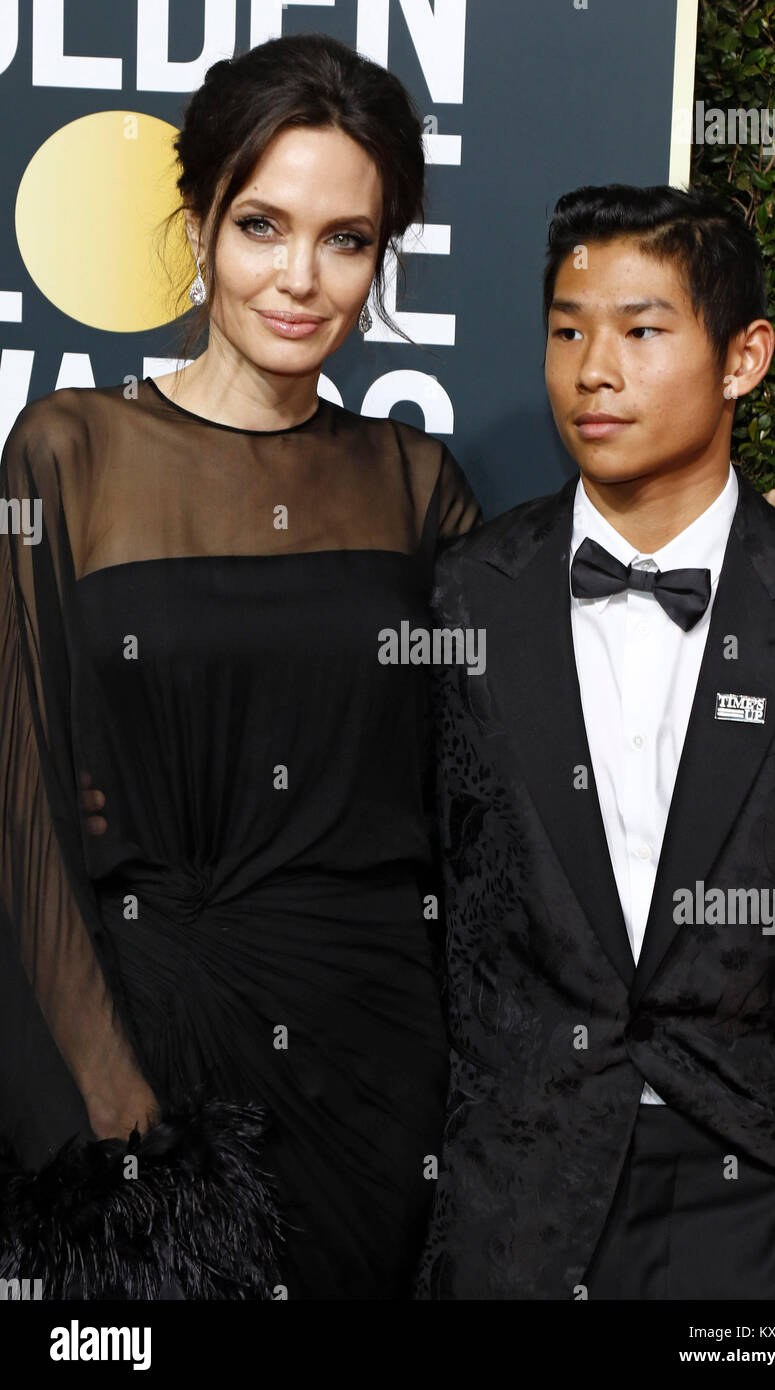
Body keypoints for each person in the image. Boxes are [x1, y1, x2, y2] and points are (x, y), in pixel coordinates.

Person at [0, 33, 481, 1300]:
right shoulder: (68, 451)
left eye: (348, 238)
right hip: (145, 1046)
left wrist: (764, 562)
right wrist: (110, 1110)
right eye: (263, 224)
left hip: (380, 1062)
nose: (302, 278)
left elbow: (528, 750)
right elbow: (24, 809)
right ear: (200, 221)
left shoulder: (416, 485)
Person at [414, 185, 775, 1300]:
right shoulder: (470, 591)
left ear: (744, 357)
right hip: (520, 1195)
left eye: (641, 329)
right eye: (568, 329)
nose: (592, 369)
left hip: (766, 1199)